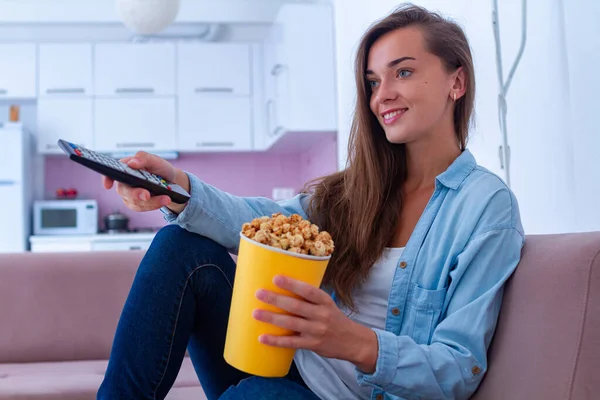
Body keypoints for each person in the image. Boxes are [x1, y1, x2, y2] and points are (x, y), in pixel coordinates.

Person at [97, 4, 524, 400]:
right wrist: (176, 186)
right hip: (286, 365)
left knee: (254, 396)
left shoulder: (485, 206)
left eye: (404, 73)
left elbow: (459, 367)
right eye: (374, 81)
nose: (382, 95)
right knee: (180, 247)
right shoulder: (356, 190)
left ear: (457, 81)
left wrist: (352, 341)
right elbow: (261, 223)